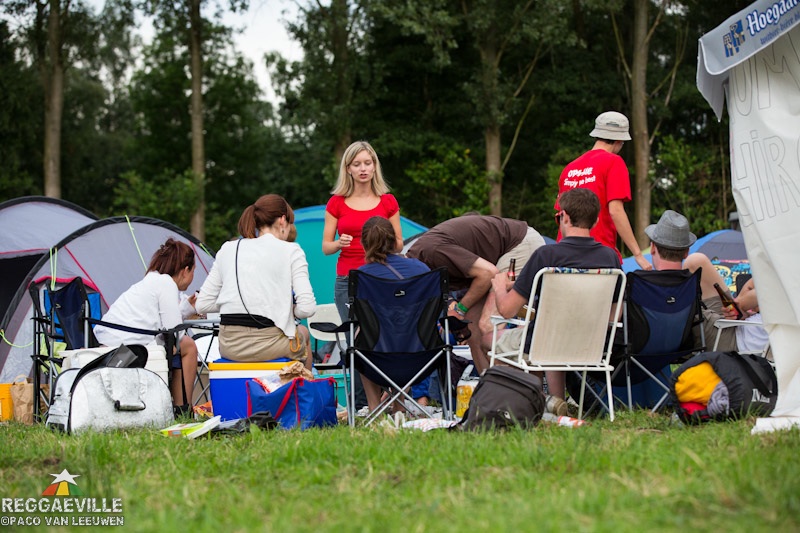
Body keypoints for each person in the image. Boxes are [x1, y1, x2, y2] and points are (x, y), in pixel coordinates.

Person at [481, 188, 621, 407]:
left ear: (564, 216)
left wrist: (499, 287)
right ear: (595, 222)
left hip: (547, 344)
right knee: (550, 331)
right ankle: (555, 402)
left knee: (487, 340)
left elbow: (507, 310)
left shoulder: (546, 256)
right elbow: (615, 311)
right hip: (591, 346)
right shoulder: (610, 257)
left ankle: (531, 401)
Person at [407, 213, 546, 375]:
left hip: (519, 244)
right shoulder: (417, 265)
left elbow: (488, 273)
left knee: (488, 325)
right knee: (473, 332)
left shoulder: (432, 252)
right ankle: (489, 392)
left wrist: (459, 310)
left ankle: (517, 392)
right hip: (494, 260)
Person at [322, 141, 402, 410]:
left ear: (375, 166)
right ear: (348, 169)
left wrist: (384, 241)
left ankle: (393, 399)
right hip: (348, 281)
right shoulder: (336, 203)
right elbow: (325, 247)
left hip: (381, 279)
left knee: (385, 338)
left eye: (368, 163)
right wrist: (339, 243)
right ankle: (360, 407)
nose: (363, 168)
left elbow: (400, 245)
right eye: (357, 164)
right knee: (355, 342)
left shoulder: (388, 201)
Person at [196, 194, 316, 370]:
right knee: (303, 336)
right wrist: (289, 309)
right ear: (283, 220)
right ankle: (304, 390)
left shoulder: (228, 249)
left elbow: (202, 305)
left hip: (230, 347)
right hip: (271, 345)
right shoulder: (291, 250)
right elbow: (307, 309)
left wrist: (231, 303)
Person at [93, 238, 199, 407]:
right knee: (188, 345)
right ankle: (183, 409)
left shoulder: (152, 280)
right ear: (185, 270)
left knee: (176, 345)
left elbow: (158, 321)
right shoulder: (166, 284)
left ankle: (176, 406)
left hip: (109, 347)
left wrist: (185, 310)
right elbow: (175, 334)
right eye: (194, 271)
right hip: (127, 352)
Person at [644, 209, 767, 353]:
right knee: (697, 261)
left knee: (685, 309)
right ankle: (673, 294)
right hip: (739, 324)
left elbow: (759, 293)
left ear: (652, 248)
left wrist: (744, 304)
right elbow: (752, 290)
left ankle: (672, 300)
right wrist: (746, 311)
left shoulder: (784, 287)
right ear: (686, 251)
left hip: (732, 341)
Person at [557, 111, 652, 271]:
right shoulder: (614, 162)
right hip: (599, 255)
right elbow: (615, 211)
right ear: (619, 140)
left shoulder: (569, 168)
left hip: (563, 256)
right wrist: (637, 254)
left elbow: (561, 217)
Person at [357, 216, 432, 413]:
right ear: (395, 239)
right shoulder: (422, 269)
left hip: (377, 360)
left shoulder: (363, 276)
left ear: (364, 243)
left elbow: (358, 318)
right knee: (407, 331)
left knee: (360, 337)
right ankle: (399, 406)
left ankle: (375, 408)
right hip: (424, 358)